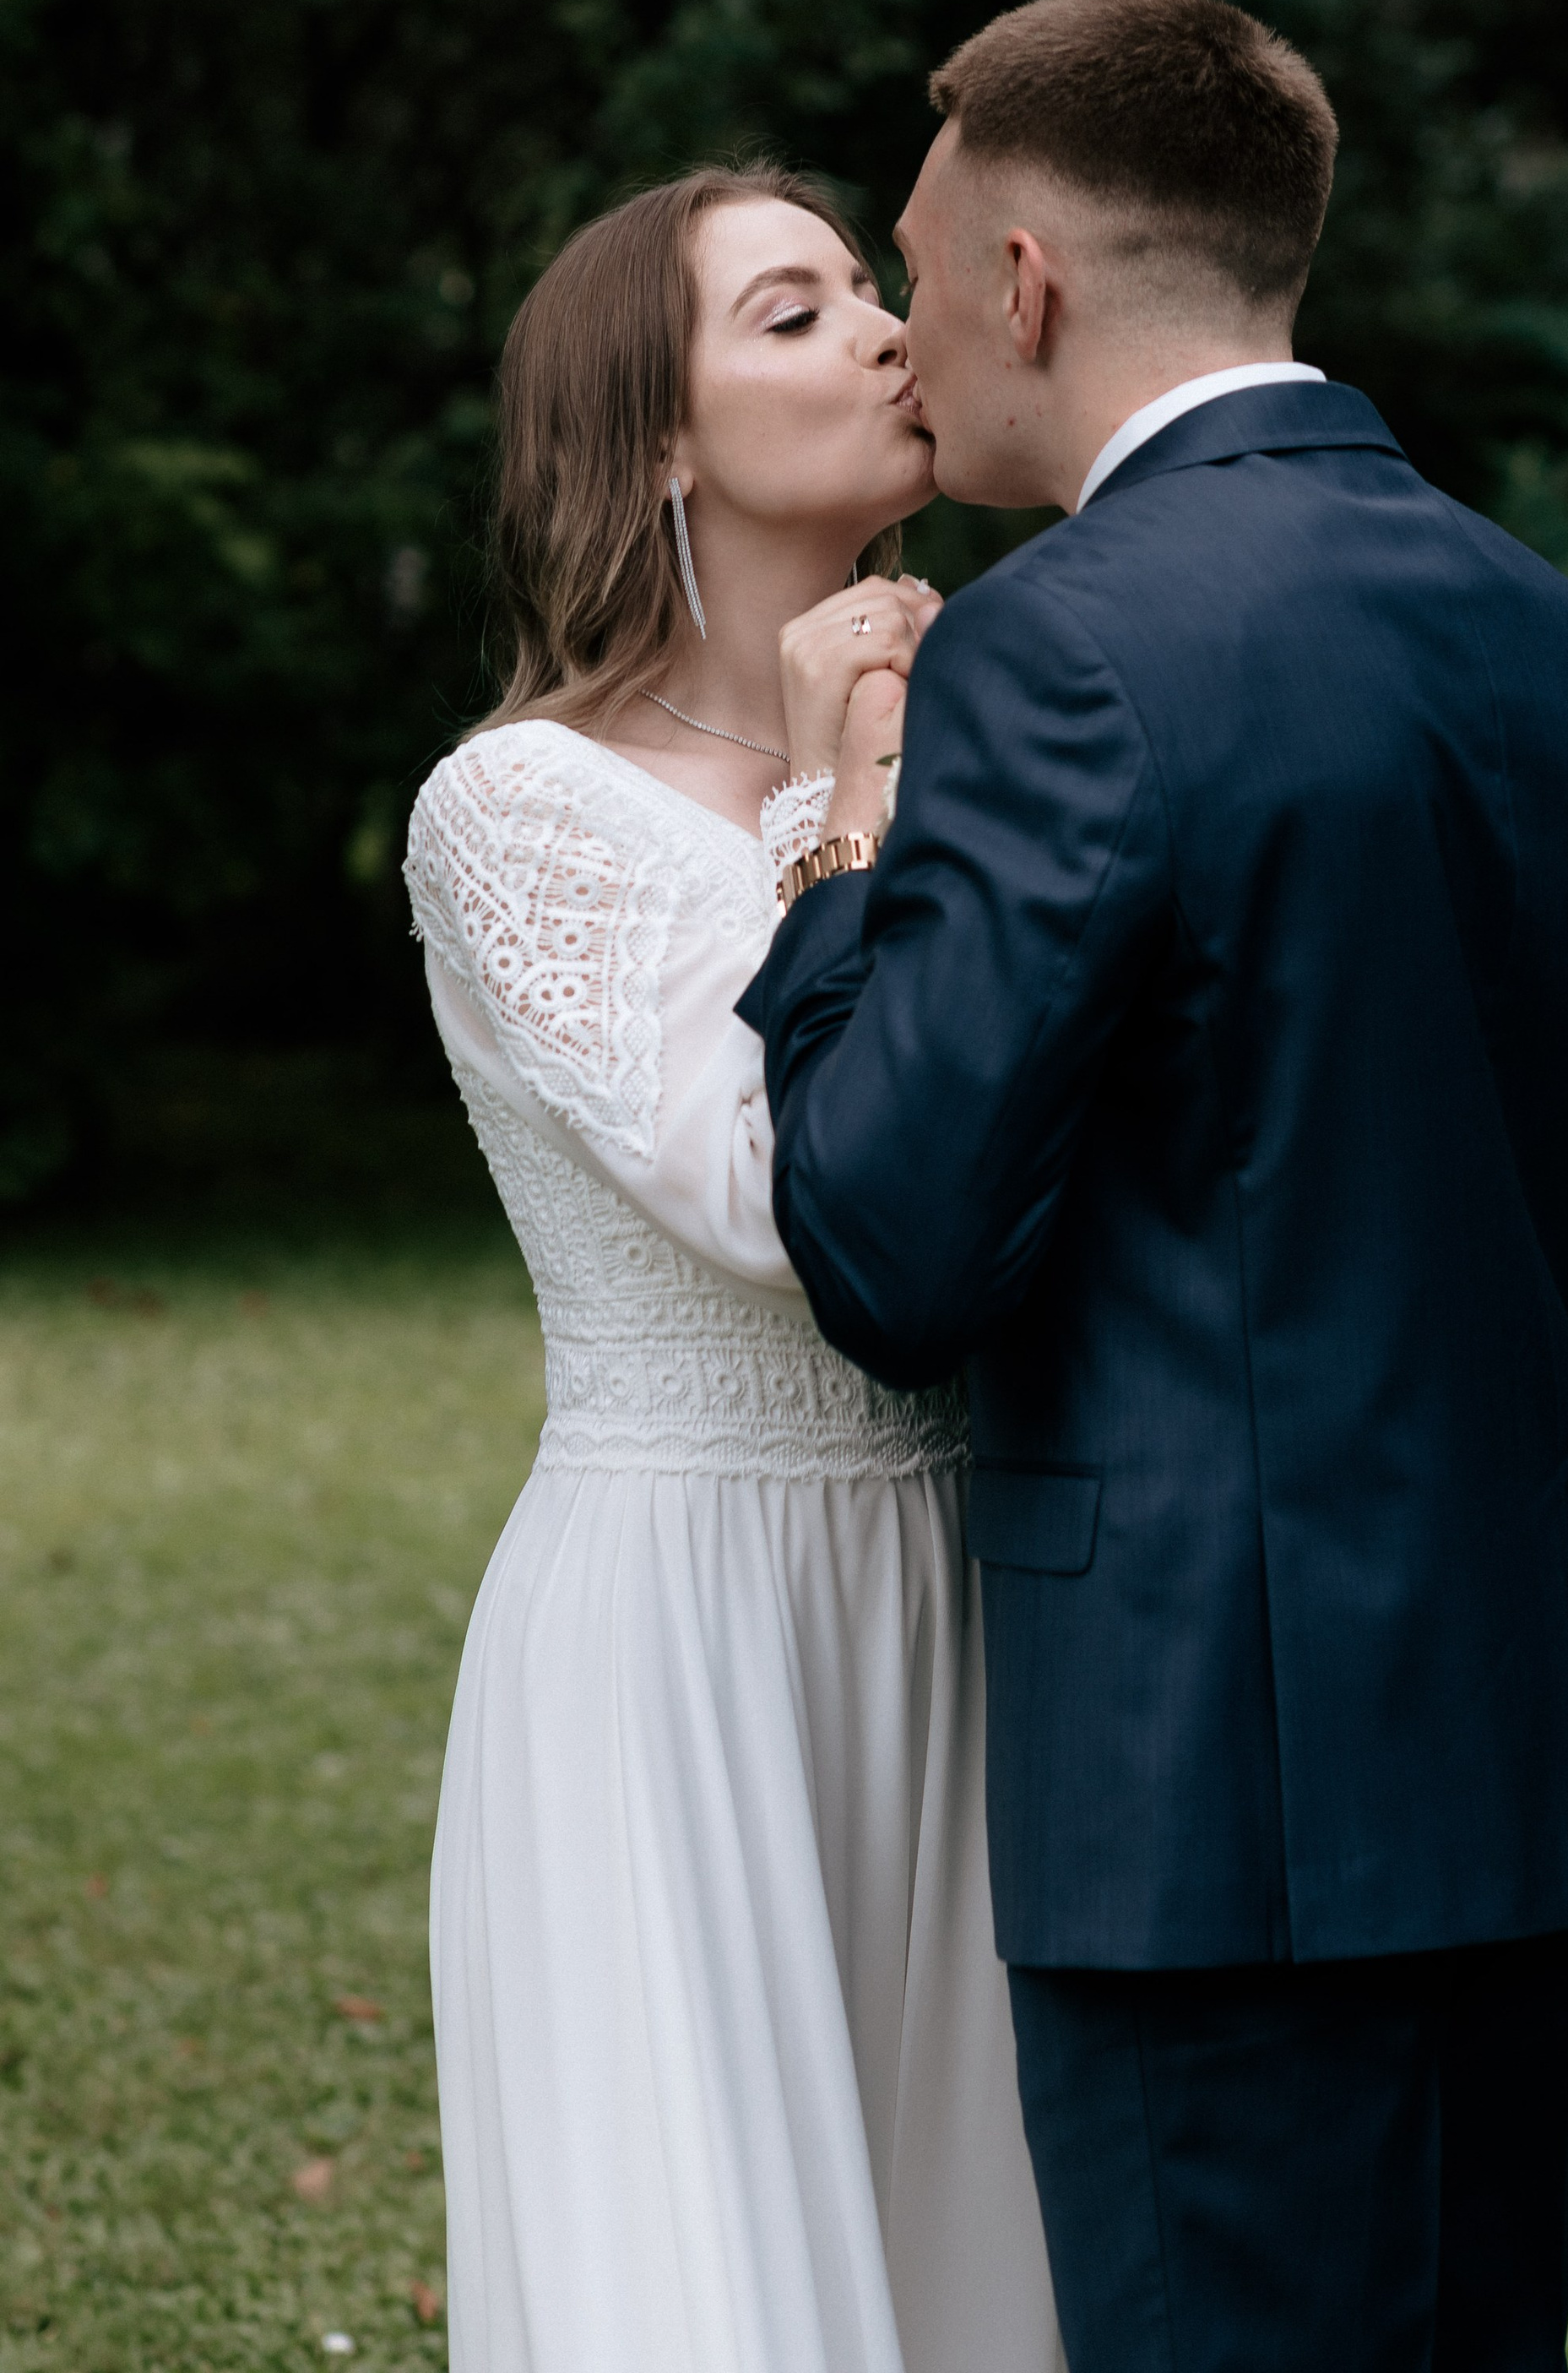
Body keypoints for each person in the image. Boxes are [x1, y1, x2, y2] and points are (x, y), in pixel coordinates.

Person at [741, 0, 1568, 2373]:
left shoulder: (1059, 648)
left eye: (915, 260)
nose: (905, 332)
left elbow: (888, 1235)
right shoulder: (1561, 638)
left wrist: (834, 850)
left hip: (1212, 1771)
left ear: (1026, 280)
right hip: (1520, 1737)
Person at [401, 164, 1064, 2373]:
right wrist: (830, 797)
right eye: (795, 314)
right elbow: (778, 1192)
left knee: (978, 2278)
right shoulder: (516, 811)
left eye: (875, 294)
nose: (888, 333)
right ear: (658, 435)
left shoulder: (1006, 729)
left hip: (967, 1611)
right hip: (680, 1629)